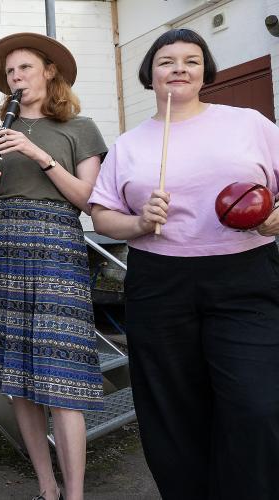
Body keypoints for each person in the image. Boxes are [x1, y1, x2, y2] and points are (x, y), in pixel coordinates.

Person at [89, 28, 279, 500]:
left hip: (246, 274)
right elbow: (101, 214)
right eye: (167, 61)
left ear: (205, 72)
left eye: (191, 61)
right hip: (160, 282)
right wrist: (136, 223)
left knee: (257, 403)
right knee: (173, 408)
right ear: (149, 75)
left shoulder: (248, 124)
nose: (179, 68)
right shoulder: (130, 145)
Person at [0, 33, 107, 500]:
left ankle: (76, 493)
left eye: (25, 68)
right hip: (1, 248)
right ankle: (47, 487)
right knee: (16, 379)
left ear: (49, 72)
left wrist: (40, 155)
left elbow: (88, 200)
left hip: (56, 251)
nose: (17, 77)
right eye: (10, 73)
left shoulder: (80, 129)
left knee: (61, 379)